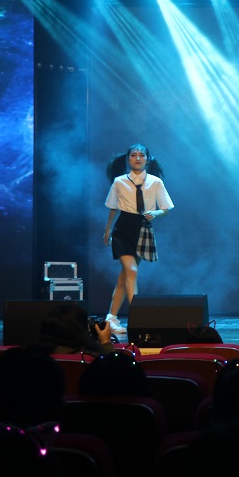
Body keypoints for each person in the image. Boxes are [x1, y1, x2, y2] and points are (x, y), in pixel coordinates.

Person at [102, 143, 174, 335]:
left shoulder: (155, 182)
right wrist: (108, 230)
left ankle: (111, 317)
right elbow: (113, 208)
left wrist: (156, 213)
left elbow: (166, 208)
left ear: (148, 160)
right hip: (123, 229)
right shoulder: (119, 182)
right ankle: (138, 318)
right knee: (132, 271)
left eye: (142, 155)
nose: (138, 158)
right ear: (128, 159)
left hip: (142, 229)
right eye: (134, 155)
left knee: (124, 277)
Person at [28, 302, 115, 358]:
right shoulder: (91, 357)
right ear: (80, 329)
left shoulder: (33, 356)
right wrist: (106, 343)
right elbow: (115, 371)